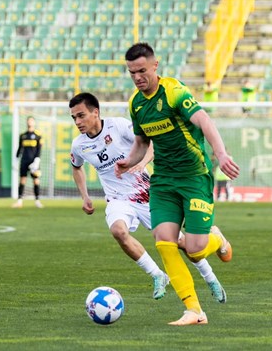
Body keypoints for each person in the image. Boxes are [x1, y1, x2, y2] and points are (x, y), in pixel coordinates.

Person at [116, 43, 240, 326]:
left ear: (155, 65)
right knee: (165, 242)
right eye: (132, 72)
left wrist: (220, 154)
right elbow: (141, 143)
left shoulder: (173, 91)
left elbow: (204, 120)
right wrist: (128, 161)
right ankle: (194, 310)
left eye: (142, 70)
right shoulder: (136, 104)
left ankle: (217, 239)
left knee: (195, 249)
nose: (137, 77)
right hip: (163, 182)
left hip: (194, 176)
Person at [68, 92, 227, 304]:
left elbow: (149, 144)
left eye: (81, 115)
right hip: (118, 199)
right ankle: (157, 274)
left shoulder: (118, 126)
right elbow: (76, 167)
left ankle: (211, 279)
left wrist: (142, 163)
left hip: (146, 194)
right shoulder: (79, 145)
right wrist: (85, 196)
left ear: (95, 112)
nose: (78, 122)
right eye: (74, 118)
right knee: (118, 230)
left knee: (184, 244)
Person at [12, 116, 43, 208]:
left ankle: (37, 201)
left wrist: (37, 160)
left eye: (31, 120)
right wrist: (16, 160)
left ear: (34, 122)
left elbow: (39, 149)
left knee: (36, 181)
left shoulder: (38, 135)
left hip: (34, 162)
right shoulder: (23, 135)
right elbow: (19, 149)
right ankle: (19, 201)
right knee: (22, 180)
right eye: (28, 120)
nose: (30, 122)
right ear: (26, 122)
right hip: (24, 161)